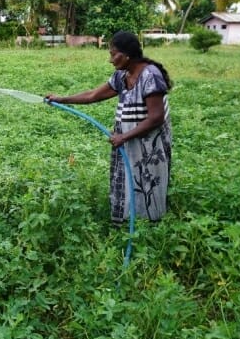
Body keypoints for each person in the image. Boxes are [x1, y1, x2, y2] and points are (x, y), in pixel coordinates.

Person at [46, 31, 172, 226]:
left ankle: (150, 228)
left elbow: (156, 118)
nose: (110, 60)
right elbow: (93, 95)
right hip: (127, 142)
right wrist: (61, 98)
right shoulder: (122, 76)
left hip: (149, 148)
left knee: (149, 184)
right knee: (128, 181)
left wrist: (125, 136)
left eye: (114, 54)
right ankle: (127, 224)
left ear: (127, 54)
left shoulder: (150, 75)